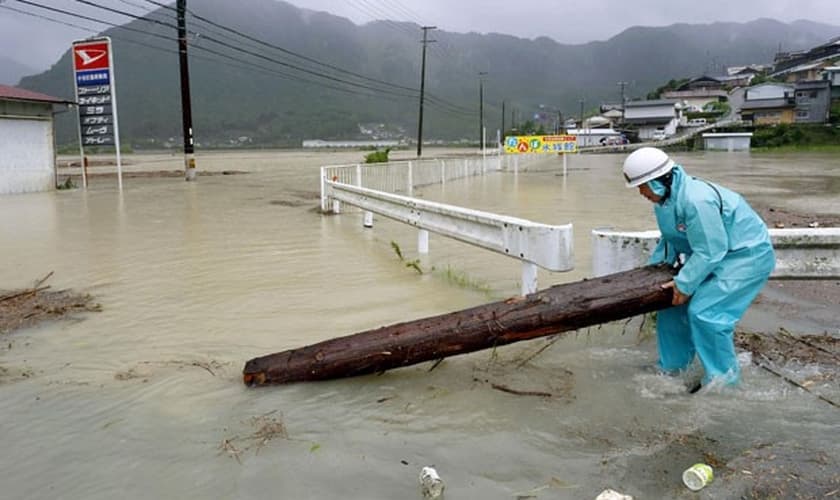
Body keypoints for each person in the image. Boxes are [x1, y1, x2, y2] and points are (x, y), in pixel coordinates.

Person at [622, 147, 775, 391]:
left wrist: (685, 283)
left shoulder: (697, 200)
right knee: (671, 305)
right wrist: (652, 275)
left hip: (745, 257)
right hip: (711, 256)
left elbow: (710, 250)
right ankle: (673, 367)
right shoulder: (665, 201)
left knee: (706, 313)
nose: (642, 193)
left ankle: (723, 382)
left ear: (659, 181)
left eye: (643, 186)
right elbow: (670, 241)